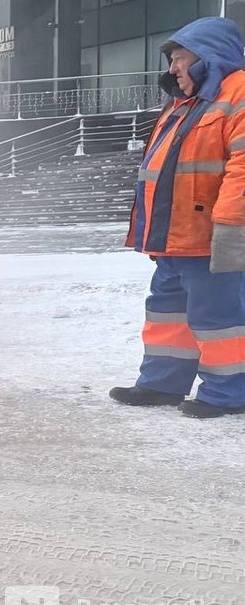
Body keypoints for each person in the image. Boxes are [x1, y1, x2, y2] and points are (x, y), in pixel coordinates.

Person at [110, 17, 245, 419]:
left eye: (180, 57)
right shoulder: (184, 104)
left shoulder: (237, 93)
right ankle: (161, 384)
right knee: (168, 312)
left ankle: (230, 391)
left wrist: (231, 229)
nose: (172, 69)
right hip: (176, 236)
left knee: (218, 316)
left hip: (210, 236)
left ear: (208, 56)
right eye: (171, 60)